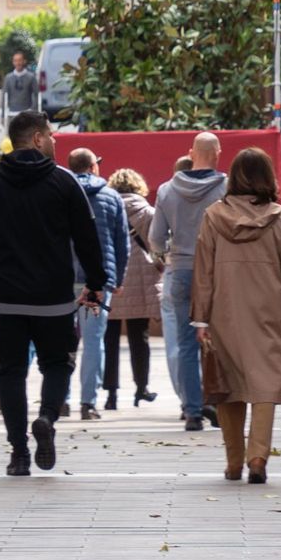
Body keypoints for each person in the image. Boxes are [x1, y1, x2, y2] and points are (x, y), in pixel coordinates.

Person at [0, 112, 106, 475]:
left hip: (5, 299)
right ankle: (47, 418)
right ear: (35, 139)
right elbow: (86, 238)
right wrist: (96, 284)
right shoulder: (64, 183)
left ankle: (18, 453)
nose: (54, 141)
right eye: (50, 135)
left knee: (12, 373)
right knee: (58, 363)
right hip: (55, 299)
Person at [191, 147, 281, 484]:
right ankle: (258, 458)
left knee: (228, 384)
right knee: (264, 384)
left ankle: (233, 461)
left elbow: (203, 271)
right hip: (270, 310)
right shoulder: (280, 216)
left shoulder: (213, 215)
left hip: (223, 311)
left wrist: (200, 318)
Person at [150, 132, 227, 431]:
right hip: (217, 271)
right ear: (217, 153)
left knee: (184, 343)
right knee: (218, 341)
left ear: (191, 153)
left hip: (181, 269)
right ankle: (218, 402)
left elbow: (156, 238)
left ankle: (193, 410)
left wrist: (165, 254)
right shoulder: (227, 188)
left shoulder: (167, 190)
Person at [66, 149, 129, 421]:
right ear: (93, 167)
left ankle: (59, 399)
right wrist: (118, 278)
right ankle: (87, 403)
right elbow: (121, 242)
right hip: (99, 281)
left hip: (63, 278)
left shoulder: (60, 193)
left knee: (63, 340)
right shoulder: (111, 196)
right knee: (93, 340)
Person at [102, 167, 162, 412]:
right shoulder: (148, 212)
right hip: (140, 281)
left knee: (110, 338)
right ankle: (141, 388)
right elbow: (158, 245)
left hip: (114, 278)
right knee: (140, 338)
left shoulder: (106, 209)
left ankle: (111, 393)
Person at [2, 50, 36, 122]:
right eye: (15, 60)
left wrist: (34, 111)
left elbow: (36, 95)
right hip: (12, 113)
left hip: (27, 112)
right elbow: (4, 96)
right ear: (13, 62)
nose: (18, 63)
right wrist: (3, 115)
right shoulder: (8, 78)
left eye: (20, 60)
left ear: (24, 61)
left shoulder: (31, 77)